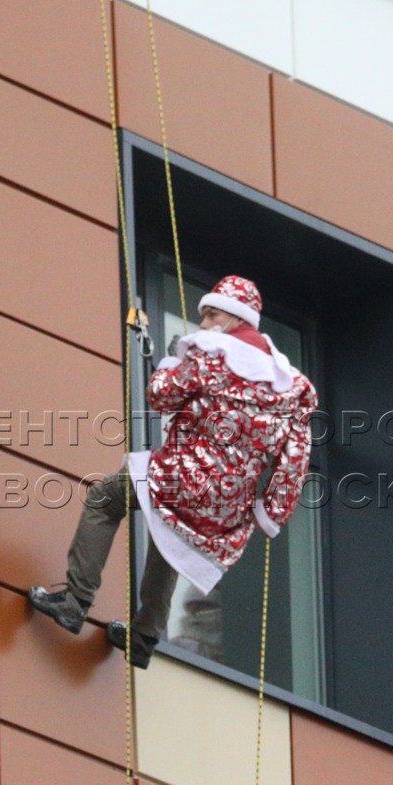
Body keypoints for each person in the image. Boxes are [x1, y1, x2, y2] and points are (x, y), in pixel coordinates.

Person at [28, 276, 318, 668]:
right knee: (173, 536)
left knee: (105, 499)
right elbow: (296, 457)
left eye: (211, 314)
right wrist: (271, 512)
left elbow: (161, 395)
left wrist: (174, 362)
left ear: (233, 317)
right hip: (231, 500)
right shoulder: (291, 386)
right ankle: (145, 637)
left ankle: (75, 601)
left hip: (186, 474)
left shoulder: (211, 353)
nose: (202, 325)